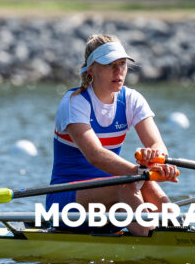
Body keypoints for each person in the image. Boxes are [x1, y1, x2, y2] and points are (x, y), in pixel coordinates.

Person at [46, 34, 178, 236]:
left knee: (146, 186)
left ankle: (177, 230)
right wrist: (141, 172)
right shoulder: (74, 102)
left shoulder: (132, 99)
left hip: (110, 201)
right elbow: (95, 155)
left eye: (122, 64)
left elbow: (156, 143)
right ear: (92, 69)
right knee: (130, 183)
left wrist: (157, 162)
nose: (118, 71)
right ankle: (153, 237)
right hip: (65, 203)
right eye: (110, 65)